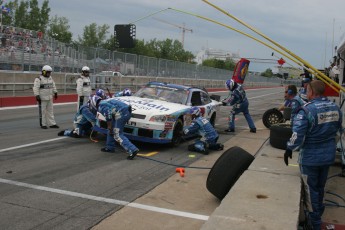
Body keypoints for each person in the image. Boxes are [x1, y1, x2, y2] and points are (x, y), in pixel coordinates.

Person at [284, 80, 342, 230]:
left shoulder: (307, 110)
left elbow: (297, 136)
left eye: (307, 90)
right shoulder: (335, 107)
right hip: (328, 157)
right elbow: (338, 131)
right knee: (320, 188)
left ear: (311, 92)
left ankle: (314, 224)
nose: (305, 93)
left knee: (310, 193)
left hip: (310, 159)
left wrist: (289, 148)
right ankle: (318, 214)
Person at [33, 65, 59, 129]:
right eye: (48, 72)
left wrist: (55, 92)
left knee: (50, 111)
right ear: (44, 72)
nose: (49, 74)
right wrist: (37, 95)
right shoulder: (38, 79)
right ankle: (43, 124)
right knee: (43, 112)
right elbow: (35, 88)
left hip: (50, 97)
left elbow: (53, 85)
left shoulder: (50, 78)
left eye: (50, 72)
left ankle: (52, 124)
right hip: (42, 98)